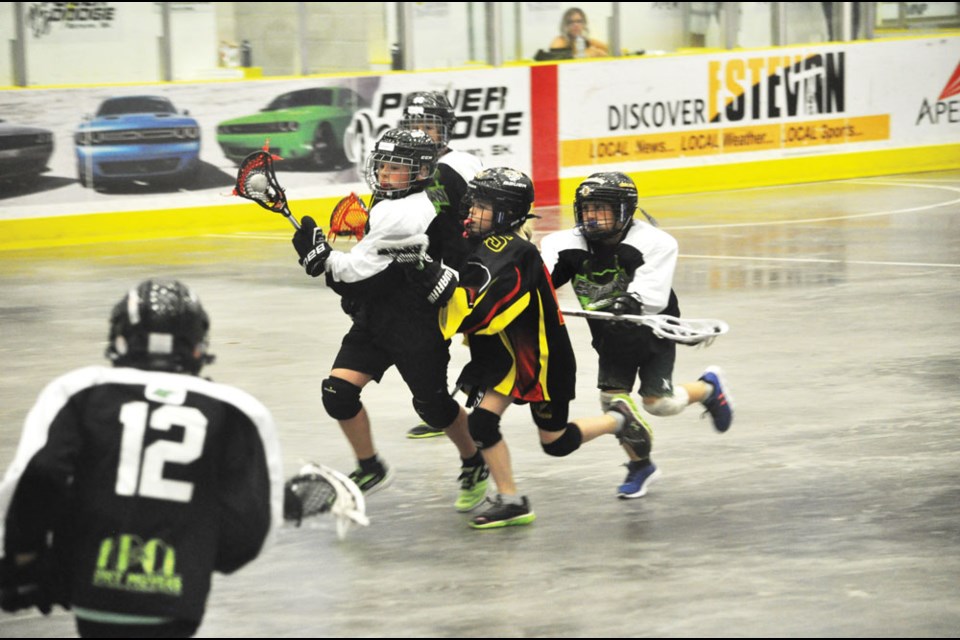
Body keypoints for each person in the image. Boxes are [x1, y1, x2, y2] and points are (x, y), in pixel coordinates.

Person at [0, 279, 283, 638]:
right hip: (178, 601)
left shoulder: (78, 392)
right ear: (197, 346)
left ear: (120, 338)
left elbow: (38, 478)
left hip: (94, 592)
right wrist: (191, 556)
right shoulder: (238, 411)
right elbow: (249, 531)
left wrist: (25, 561)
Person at [418, 167, 652, 529]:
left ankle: (618, 420)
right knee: (489, 426)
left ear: (505, 213)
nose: (471, 213)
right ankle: (512, 500)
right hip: (504, 356)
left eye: (480, 206)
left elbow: (484, 314)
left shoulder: (517, 253)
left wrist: (439, 290)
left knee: (553, 442)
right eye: (473, 204)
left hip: (540, 361)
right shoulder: (483, 243)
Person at [291, 127, 490, 514]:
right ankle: (371, 467)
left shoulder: (410, 211)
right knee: (338, 393)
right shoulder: (402, 196)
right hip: (376, 318)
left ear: (420, 172)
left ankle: (473, 462)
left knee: (433, 407)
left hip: (416, 324)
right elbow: (373, 266)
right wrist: (336, 252)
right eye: (382, 165)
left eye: (396, 168)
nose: (384, 175)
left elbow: (358, 276)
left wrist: (320, 259)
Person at [539, 172, 734, 499]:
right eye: (586, 208)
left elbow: (652, 294)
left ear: (625, 210)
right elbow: (542, 278)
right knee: (613, 404)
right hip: (608, 336)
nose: (591, 216)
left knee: (660, 405)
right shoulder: (566, 243)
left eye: (601, 208)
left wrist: (629, 301)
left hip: (651, 332)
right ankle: (641, 465)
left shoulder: (654, 242)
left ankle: (709, 387)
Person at [399, 90, 484, 440]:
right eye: (415, 125)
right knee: (437, 335)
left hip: (474, 263)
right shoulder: (414, 166)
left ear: (446, 129)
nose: (421, 132)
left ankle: (479, 404)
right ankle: (444, 408)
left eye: (429, 126)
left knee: (482, 334)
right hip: (439, 266)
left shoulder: (458, 165)